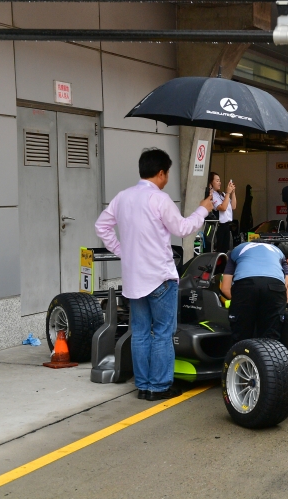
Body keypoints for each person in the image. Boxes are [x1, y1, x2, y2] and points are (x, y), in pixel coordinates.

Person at [95, 148, 214, 401]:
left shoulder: (122, 198)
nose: (167, 177)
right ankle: (159, 387)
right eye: (167, 173)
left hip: (133, 279)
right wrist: (203, 209)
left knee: (139, 332)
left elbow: (101, 226)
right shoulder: (159, 199)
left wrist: (122, 250)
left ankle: (144, 386)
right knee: (162, 333)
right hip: (160, 278)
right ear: (161, 173)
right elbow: (182, 228)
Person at [220, 241, 288, 342]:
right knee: (271, 338)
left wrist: (243, 302)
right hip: (275, 286)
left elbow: (225, 288)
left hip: (246, 285)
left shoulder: (236, 250)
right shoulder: (278, 252)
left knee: (241, 336)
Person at [207, 172, 236, 253]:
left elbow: (233, 206)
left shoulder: (222, 194)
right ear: (211, 183)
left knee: (226, 251)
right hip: (218, 227)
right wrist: (228, 193)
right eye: (217, 180)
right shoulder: (212, 195)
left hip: (227, 226)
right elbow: (222, 208)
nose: (219, 183)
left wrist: (233, 193)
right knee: (219, 251)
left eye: (220, 180)